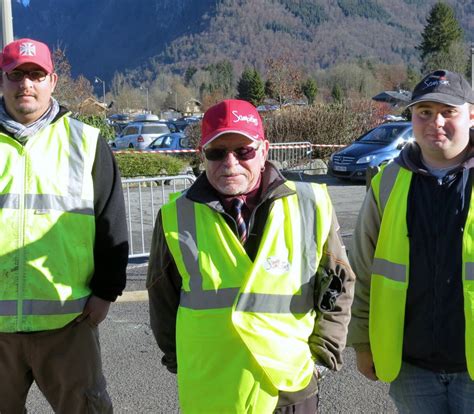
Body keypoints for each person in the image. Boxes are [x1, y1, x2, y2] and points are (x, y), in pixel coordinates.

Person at [147, 99, 355, 413]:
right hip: (212, 389)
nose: (230, 163)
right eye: (217, 152)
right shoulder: (175, 217)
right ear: (202, 154)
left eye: (243, 151)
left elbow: (338, 285)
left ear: (264, 150)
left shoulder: (310, 204)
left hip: (288, 388)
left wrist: (322, 356)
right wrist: (183, 362)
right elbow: (162, 301)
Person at [0, 38, 128, 413]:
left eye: (36, 74)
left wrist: (106, 291)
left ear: (52, 81)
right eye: (16, 75)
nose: (27, 84)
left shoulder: (86, 143)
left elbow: (111, 223)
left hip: (68, 323)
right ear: (2, 81)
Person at [348, 69, 474, 413]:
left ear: (471, 115)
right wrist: (361, 342)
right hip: (411, 368)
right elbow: (362, 268)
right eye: (425, 112)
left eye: (449, 112)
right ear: (412, 117)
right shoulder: (387, 182)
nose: (436, 122)